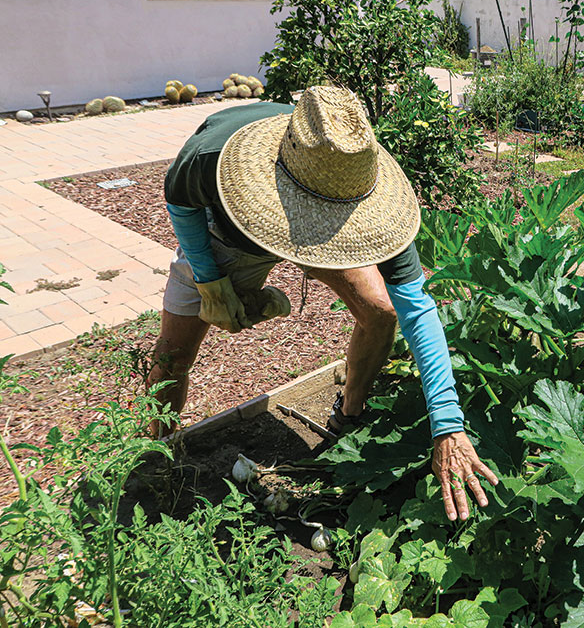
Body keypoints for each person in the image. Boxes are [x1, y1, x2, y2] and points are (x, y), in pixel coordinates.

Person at [147, 85, 497, 521]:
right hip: (229, 235)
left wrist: (447, 424)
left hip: (331, 230)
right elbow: (180, 202)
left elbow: (414, 305)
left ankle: (347, 416)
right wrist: (210, 279)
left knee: (379, 310)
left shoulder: (348, 167)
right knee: (174, 355)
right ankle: (158, 452)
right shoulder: (211, 157)